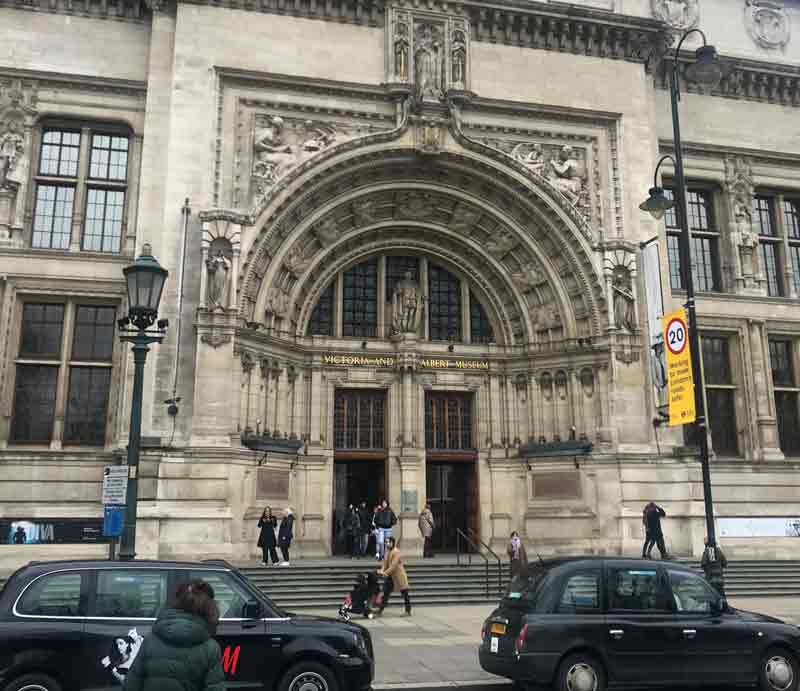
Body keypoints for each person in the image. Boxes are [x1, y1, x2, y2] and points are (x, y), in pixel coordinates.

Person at [124, 579, 224, 691]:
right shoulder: (210, 648)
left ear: (177, 602)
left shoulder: (151, 639)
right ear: (209, 608)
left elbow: (131, 684)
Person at [377, 536, 411, 616]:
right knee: (386, 593)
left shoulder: (396, 552)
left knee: (404, 593)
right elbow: (385, 564)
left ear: (392, 543)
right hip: (391, 576)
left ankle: (408, 610)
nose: (386, 543)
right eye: (386, 542)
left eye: (388, 542)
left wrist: (385, 573)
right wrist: (382, 570)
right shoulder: (387, 551)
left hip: (399, 576)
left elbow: (393, 566)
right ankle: (380, 610)